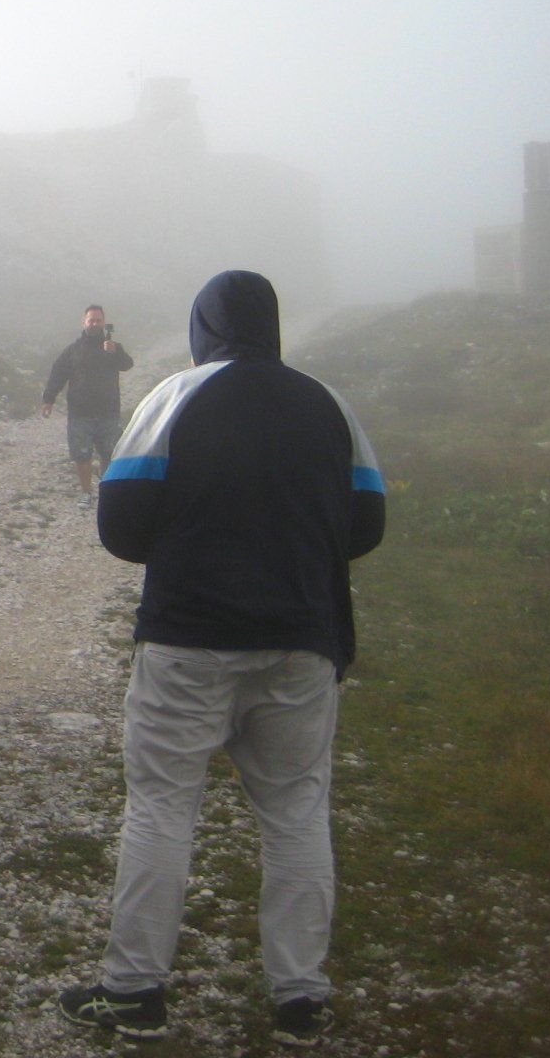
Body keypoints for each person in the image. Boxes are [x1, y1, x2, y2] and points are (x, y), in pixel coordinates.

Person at [57, 271, 386, 1048]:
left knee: (164, 806)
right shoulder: (326, 404)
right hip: (303, 640)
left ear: (204, 324)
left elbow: (121, 522)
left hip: (189, 639)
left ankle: (135, 991)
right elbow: (366, 521)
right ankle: (300, 997)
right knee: (297, 811)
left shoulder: (176, 396)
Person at [41, 304, 134, 506]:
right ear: (84, 322)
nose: (94, 323)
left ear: (104, 322)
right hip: (80, 414)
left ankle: (107, 491)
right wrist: (48, 399)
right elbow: (58, 374)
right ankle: (86, 493)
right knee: (81, 456)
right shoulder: (72, 351)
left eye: (98, 320)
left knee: (109, 454)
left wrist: (116, 351)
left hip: (108, 413)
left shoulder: (113, 346)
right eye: (91, 320)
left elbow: (127, 364)